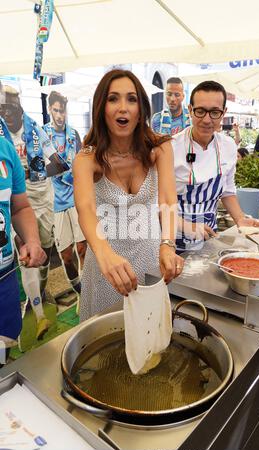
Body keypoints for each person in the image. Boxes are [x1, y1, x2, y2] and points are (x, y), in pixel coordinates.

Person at [73, 69, 183, 321]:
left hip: (149, 255)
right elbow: (86, 209)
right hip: (105, 265)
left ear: (141, 109)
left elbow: (167, 200)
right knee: (103, 345)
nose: (123, 107)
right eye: (113, 99)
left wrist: (167, 244)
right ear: (101, 107)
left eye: (131, 99)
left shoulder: (160, 147)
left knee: (149, 334)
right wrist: (104, 253)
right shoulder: (86, 159)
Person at [0, 84, 69, 339]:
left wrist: (31, 172)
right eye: (2, 108)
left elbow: (61, 164)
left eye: (10, 108)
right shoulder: (4, 137)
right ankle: (38, 313)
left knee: (41, 256)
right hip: (10, 209)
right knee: (25, 260)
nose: (5, 114)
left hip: (40, 204)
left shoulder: (36, 131)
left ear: (19, 108)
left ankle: (36, 298)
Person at [172, 80, 259, 252]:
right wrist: (186, 226)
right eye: (200, 111)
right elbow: (155, 203)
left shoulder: (228, 146)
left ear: (223, 113)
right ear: (190, 110)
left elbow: (228, 191)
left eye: (214, 112)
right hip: (172, 238)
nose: (207, 120)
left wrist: (240, 220)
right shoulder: (170, 147)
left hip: (208, 236)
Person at [0, 137, 46, 365]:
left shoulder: (5, 149)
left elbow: (19, 207)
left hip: (5, 277)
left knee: (2, 348)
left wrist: (32, 240)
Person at [43, 91, 86, 295]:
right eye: (56, 110)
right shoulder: (41, 135)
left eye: (63, 111)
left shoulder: (73, 134)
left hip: (76, 199)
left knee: (83, 249)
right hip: (55, 203)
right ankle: (79, 291)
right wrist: (56, 168)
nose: (60, 115)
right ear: (50, 110)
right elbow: (37, 170)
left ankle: (87, 293)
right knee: (66, 257)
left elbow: (82, 163)